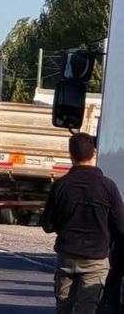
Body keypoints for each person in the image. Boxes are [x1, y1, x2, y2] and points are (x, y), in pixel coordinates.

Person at [43, 132, 124, 314]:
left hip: (67, 257)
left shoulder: (61, 185)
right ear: (94, 152)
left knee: (63, 307)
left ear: (70, 155)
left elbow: (47, 225)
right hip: (95, 259)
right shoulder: (108, 186)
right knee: (88, 308)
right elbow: (121, 226)